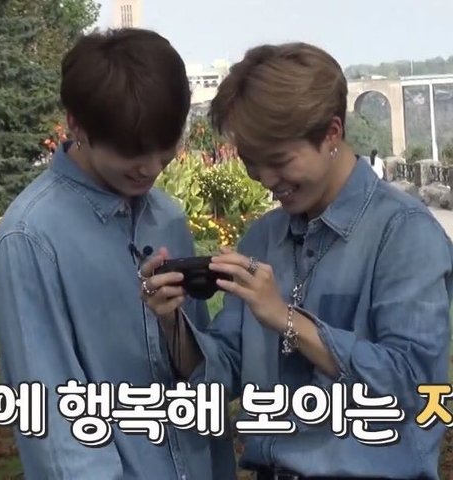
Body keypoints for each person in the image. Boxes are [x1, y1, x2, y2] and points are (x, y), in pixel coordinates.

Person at [140, 42, 453, 479]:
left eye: (279, 160)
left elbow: (413, 387)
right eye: (252, 164)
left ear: (332, 133)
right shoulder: (263, 237)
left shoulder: (404, 234)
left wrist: (287, 319)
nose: (266, 180)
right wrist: (171, 322)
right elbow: (223, 372)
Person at [0, 28, 235, 480]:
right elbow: (54, 426)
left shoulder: (167, 219)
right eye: (132, 153)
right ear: (77, 125)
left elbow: (201, 390)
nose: (150, 168)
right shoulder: (31, 238)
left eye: (164, 151)